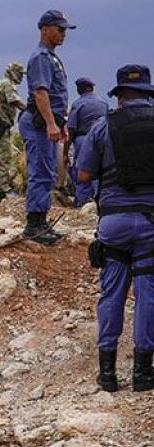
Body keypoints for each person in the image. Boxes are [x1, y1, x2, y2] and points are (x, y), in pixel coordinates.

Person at [76, 64, 154, 393]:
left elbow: (82, 176)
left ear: (120, 95)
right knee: (148, 294)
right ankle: (142, 374)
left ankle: (107, 374)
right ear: (148, 94)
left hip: (113, 225)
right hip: (151, 223)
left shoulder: (101, 127)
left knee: (111, 295)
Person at [19, 9, 75, 245]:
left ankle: (40, 221)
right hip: (39, 123)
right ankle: (34, 226)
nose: (64, 34)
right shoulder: (41, 57)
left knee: (48, 171)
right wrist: (52, 123)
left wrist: (59, 124)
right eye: (59, 29)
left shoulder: (51, 56)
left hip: (48, 123)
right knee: (41, 173)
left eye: (65, 30)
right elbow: (40, 93)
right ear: (45, 29)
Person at [0, 62, 27, 205]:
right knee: (3, 158)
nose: (21, 77)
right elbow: (15, 102)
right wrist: (30, 110)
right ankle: (1, 193)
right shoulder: (8, 85)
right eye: (20, 73)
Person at [64, 77, 108, 207]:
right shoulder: (103, 102)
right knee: (99, 170)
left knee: (81, 170)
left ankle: (82, 201)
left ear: (79, 89)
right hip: (102, 138)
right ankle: (97, 200)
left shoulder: (78, 104)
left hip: (83, 139)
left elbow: (71, 129)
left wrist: (65, 152)